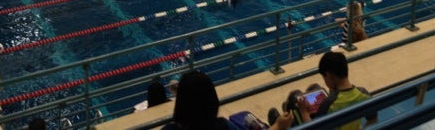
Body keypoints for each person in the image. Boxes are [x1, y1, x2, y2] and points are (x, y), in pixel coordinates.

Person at [161, 70, 293, 130]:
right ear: (212, 101)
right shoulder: (223, 126)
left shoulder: (168, 129)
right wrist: (279, 126)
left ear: (181, 103)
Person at [295, 51, 376, 130]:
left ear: (329, 75)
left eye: (324, 78)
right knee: (315, 87)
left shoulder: (328, 103)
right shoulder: (363, 93)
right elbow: (373, 120)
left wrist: (304, 112)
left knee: (293, 99)